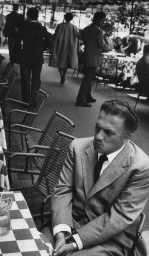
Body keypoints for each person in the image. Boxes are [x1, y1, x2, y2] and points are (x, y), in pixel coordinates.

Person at [42, 100, 149, 256]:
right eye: (97, 127)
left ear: (127, 136)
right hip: (68, 222)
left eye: (108, 132)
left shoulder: (141, 167)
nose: (98, 137)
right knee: (35, 249)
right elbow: (63, 190)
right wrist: (62, 232)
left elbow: (119, 217)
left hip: (111, 238)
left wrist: (75, 243)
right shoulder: (77, 147)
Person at [76, 12, 112, 107]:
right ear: (97, 20)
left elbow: (81, 37)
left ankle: (88, 96)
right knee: (87, 79)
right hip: (94, 58)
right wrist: (110, 47)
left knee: (89, 77)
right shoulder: (98, 31)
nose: (103, 23)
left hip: (87, 55)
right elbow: (103, 46)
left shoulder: (87, 28)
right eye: (102, 21)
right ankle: (80, 99)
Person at [19, 7, 50, 104]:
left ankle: (25, 100)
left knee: (25, 79)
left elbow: (17, 40)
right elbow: (50, 41)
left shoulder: (23, 27)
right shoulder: (42, 28)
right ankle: (33, 100)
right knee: (36, 79)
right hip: (37, 57)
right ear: (37, 16)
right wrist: (42, 47)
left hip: (25, 56)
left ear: (27, 15)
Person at [50, 12, 79, 84]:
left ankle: (62, 75)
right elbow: (77, 38)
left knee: (60, 61)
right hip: (70, 46)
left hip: (61, 45)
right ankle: (64, 75)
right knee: (66, 62)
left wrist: (53, 43)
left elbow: (56, 35)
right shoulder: (74, 27)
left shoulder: (60, 26)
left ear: (65, 18)